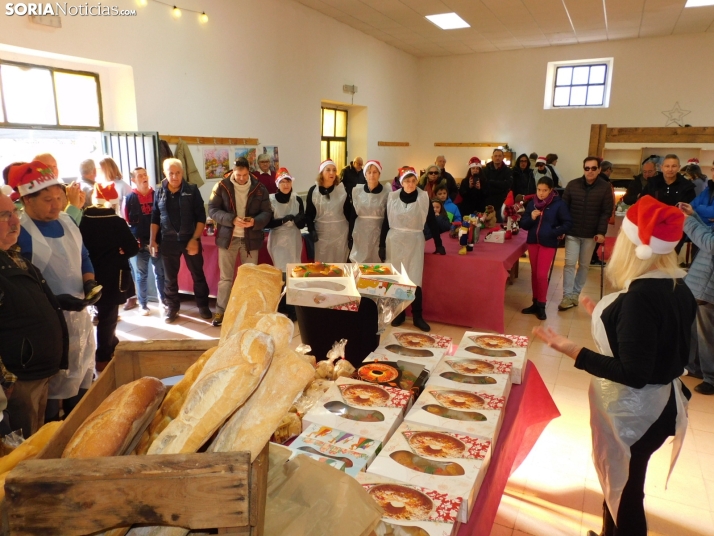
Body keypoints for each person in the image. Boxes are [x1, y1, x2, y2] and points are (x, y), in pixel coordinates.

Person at [534, 196, 696, 536]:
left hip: (642, 414)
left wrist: (571, 349)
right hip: (664, 405)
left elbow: (634, 372)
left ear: (635, 246)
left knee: (626, 491)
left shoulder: (639, 298)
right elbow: (653, 338)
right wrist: (599, 313)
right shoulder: (678, 287)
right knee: (621, 483)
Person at [11, 161, 100, 421]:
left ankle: (79, 422)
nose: (56, 205)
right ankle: (52, 431)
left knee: (82, 370)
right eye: (48, 200)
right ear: (27, 200)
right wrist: (54, 302)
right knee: (53, 385)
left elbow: (83, 256)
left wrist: (89, 283)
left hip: (79, 315)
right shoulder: (20, 232)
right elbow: (21, 282)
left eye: (59, 198)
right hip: (45, 322)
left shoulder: (67, 221)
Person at [0, 189, 69, 437]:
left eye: (14, 212)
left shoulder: (14, 256)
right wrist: (6, 382)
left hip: (38, 372)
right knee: (22, 452)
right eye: (4, 215)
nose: (15, 220)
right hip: (18, 381)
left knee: (37, 441)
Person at [80, 183, 139, 372]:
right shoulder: (116, 222)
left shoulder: (82, 220)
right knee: (108, 318)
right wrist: (120, 253)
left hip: (88, 275)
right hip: (113, 276)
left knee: (100, 315)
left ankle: (113, 344)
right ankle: (103, 357)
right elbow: (132, 248)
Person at [207, 157, 272, 326]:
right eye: (238, 175)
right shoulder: (221, 186)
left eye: (244, 175)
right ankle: (221, 311)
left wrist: (255, 222)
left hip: (250, 239)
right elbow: (213, 210)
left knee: (250, 278)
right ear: (232, 172)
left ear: (248, 172)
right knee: (226, 279)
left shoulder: (259, 187)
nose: (241, 178)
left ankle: (249, 312)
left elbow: (267, 212)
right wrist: (231, 219)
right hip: (229, 238)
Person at [383, 167, 446, 332]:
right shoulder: (392, 197)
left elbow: (432, 221)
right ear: (401, 182)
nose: (410, 184)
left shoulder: (424, 198)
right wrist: (382, 246)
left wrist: (439, 243)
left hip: (414, 241)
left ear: (416, 181)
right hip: (394, 241)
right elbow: (385, 221)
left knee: (414, 279)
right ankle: (400, 313)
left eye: (413, 181)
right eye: (407, 181)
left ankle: (417, 316)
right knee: (397, 279)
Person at [151, 158, 211, 324]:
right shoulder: (159, 191)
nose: (175, 176)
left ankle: (203, 305)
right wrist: (152, 240)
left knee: (197, 274)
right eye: (171, 173)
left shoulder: (192, 190)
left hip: (189, 238)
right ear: (165, 173)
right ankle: (172, 308)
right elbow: (155, 217)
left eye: (178, 173)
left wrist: (194, 239)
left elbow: (201, 217)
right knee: (169, 278)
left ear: (182, 173)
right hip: (168, 241)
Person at [558, 157, 614, 310]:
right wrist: (562, 228)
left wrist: (601, 232)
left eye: (593, 168)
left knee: (583, 265)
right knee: (569, 263)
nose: (590, 171)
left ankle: (575, 294)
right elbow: (564, 208)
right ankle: (567, 295)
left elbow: (605, 212)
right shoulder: (573, 185)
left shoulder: (604, 187)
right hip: (572, 232)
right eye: (587, 168)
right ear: (583, 169)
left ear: (599, 169)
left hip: (591, 234)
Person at [519, 177, 572, 320]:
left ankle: (542, 305)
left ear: (551, 190)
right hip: (533, 242)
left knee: (542, 275)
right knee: (534, 273)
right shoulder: (532, 204)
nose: (541, 193)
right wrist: (531, 217)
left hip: (548, 243)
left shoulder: (558, 204)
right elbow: (523, 224)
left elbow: (567, 223)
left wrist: (553, 232)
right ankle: (535, 303)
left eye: (545, 190)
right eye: (539, 190)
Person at [679, 202, 714, 395]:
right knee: (695, 331)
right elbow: (710, 233)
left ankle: (711, 378)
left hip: (709, 288)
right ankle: (695, 368)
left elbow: (710, 243)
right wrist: (693, 216)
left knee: (707, 335)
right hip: (702, 284)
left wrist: (687, 222)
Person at [124, 167, 166, 315]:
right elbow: (128, 220)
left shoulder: (157, 195)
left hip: (156, 241)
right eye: (139, 176)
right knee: (141, 275)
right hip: (140, 243)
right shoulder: (130, 198)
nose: (144, 177)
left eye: (145, 174)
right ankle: (143, 304)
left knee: (160, 273)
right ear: (134, 180)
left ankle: (163, 303)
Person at [305, 160, 351, 263]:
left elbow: (349, 212)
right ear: (322, 172)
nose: (332, 173)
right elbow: (308, 214)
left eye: (334, 170)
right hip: (321, 234)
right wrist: (311, 230)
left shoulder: (342, 190)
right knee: (322, 265)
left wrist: (351, 234)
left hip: (340, 234)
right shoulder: (313, 191)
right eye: (328, 170)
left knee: (339, 265)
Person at [349, 159, 389, 263]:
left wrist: (383, 244)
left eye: (375, 172)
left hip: (379, 234)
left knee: (376, 265)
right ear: (365, 174)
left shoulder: (387, 193)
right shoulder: (357, 191)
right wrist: (350, 236)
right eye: (369, 172)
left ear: (379, 174)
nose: (372, 175)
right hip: (360, 233)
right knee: (359, 264)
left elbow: (388, 219)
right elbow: (353, 215)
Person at [266, 167, 305, 270]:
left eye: (288, 181)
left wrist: (299, 220)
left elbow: (302, 224)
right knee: (281, 269)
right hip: (278, 240)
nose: (286, 185)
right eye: (282, 182)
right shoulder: (271, 200)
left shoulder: (297, 199)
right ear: (277, 184)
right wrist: (282, 220)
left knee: (295, 268)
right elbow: (267, 223)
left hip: (294, 239)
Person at [481, 148, 513, 222]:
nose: (497, 158)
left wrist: (491, 182)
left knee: (500, 224)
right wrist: (500, 184)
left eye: (499, 156)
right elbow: (484, 185)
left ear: (503, 157)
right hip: (488, 201)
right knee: (487, 224)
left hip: (501, 202)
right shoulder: (485, 170)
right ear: (492, 157)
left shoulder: (508, 171)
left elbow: (507, 184)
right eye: (495, 156)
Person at [690, 161, 714, 227]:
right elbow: (691, 206)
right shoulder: (709, 188)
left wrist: (696, 210)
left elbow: (712, 213)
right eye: (713, 169)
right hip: (700, 231)